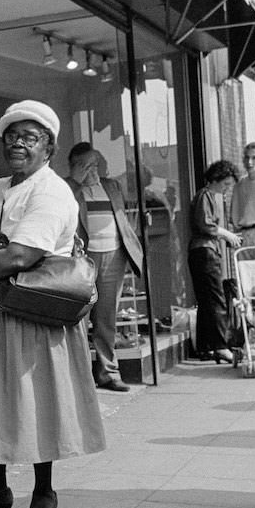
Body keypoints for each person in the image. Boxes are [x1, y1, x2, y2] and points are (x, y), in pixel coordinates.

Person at [0, 100, 107, 508]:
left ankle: (44, 491)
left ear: (48, 147)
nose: (18, 143)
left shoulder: (52, 192)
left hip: (31, 312)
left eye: (30, 137)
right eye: (12, 136)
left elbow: (20, 255)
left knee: (33, 400)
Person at [66, 142, 145, 392]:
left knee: (106, 318)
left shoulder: (111, 186)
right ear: (74, 167)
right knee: (78, 318)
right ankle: (77, 376)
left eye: (95, 164)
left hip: (113, 256)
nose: (93, 170)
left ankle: (108, 372)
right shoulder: (66, 189)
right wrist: (76, 182)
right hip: (83, 260)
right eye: (87, 165)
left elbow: (125, 218)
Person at [188, 159, 243, 363]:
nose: (227, 188)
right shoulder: (206, 196)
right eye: (226, 184)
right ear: (216, 180)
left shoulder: (206, 196)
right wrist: (227, 234)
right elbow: (206, 224)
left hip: (201, 251)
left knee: (206, 300)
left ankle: (205, 346)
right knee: (216, 299)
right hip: (206, 251)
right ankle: (220, 345)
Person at [230, 141, 255, 246]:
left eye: (254, 158)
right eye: (247, 158)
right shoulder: (239, 184)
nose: (249, 162)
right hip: (244, 236)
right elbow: (235, 214)